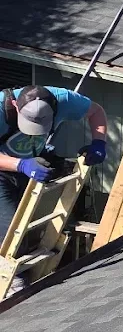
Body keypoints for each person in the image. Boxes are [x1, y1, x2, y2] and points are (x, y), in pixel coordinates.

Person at [0, 84, 108, 235]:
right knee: (9, 234)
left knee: (36, 227)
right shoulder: (0, 109)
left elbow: (96, 112)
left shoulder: (65, 100)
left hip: (31, 164)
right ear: (15, 105)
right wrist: (20, 164)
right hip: (5, 168)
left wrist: (99, 142)